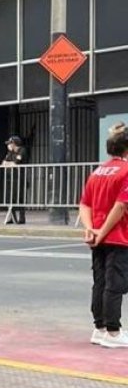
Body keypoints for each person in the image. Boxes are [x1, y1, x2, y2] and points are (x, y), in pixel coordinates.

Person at [78, 122, 128, 348]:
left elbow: (84, 205)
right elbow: (120, 207)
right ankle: (113, 332)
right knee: (114, 284)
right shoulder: (126, 171)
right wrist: (104, 232)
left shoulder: (97, 171)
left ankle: (98, 328)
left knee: (99, 283)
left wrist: (91, 230)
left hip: (97, 237)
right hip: (117, 236)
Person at [3, 135, 28, 225]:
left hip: (19, 178)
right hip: (10, 178)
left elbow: (16, 163)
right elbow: (3, 163)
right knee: (10, 198)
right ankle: (13, 218)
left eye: (10, 144)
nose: (8, 145)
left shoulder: (22, 150)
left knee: (20, 198)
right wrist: (10, 162)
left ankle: (22, 218)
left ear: (14, 144)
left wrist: (10, 163)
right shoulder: (10, 152)